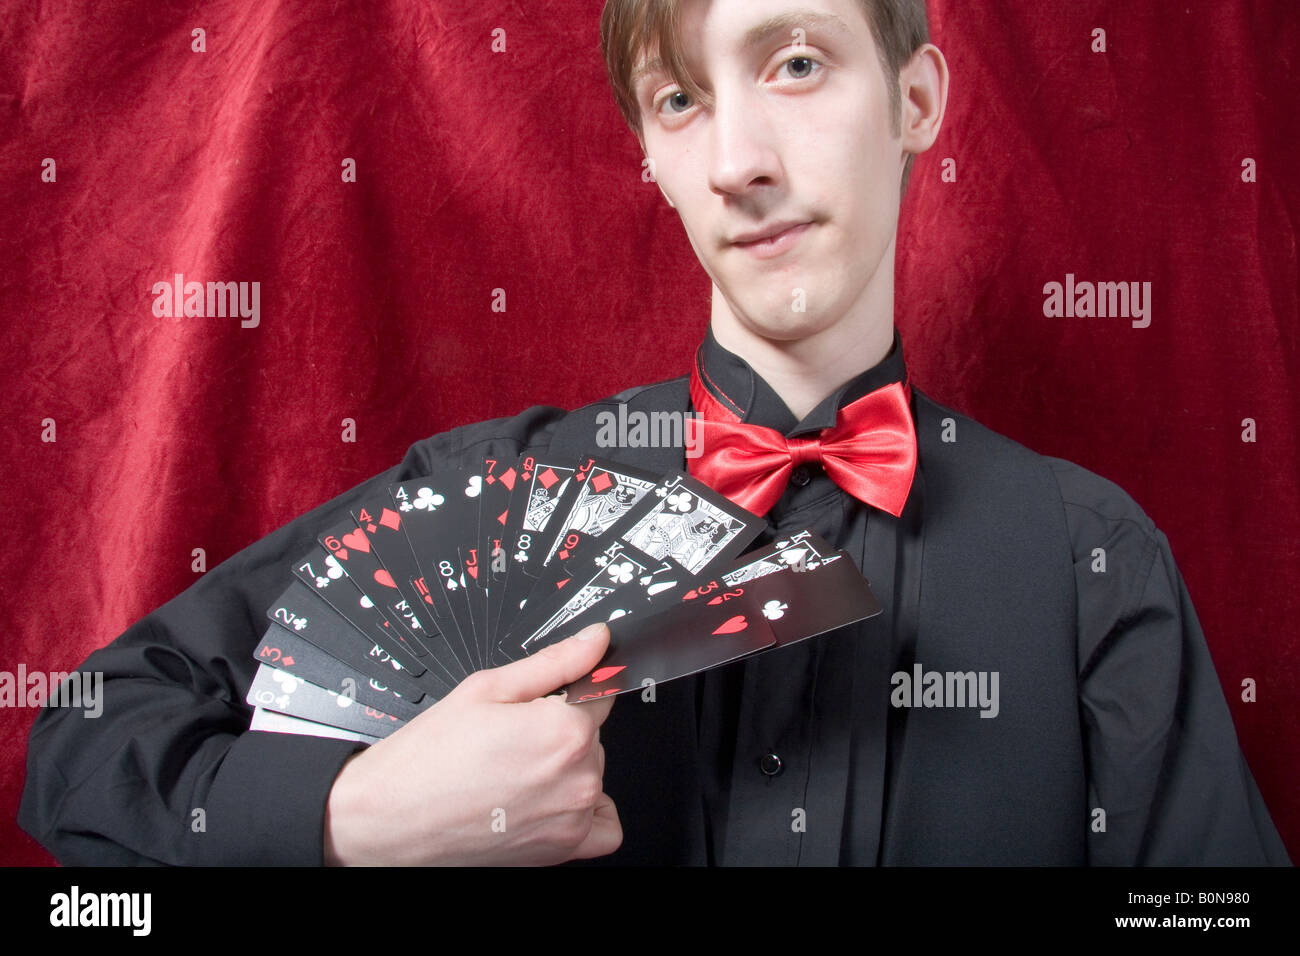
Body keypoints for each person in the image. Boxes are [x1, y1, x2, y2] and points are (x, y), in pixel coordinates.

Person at [18, 0, 1290, 866]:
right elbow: (79, 733)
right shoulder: (483, 489)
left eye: (795, 63)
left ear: (914, 99)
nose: (738, 158)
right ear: (652, 158)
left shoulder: (1088, 558)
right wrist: (355, 816)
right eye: (679, 101)